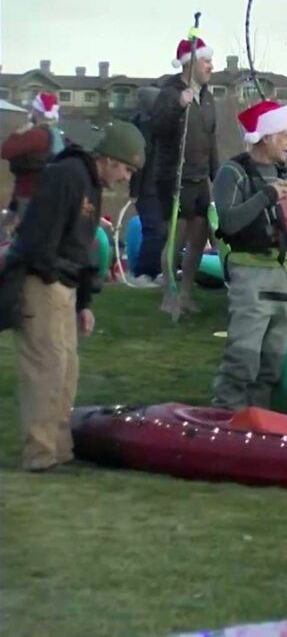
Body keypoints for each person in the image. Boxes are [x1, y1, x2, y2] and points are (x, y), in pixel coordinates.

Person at [4, 121, 145, 471]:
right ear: (109, 158)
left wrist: (83, 302)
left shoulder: (90, 184)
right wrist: (53, 275)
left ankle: (60, 449)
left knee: (66, 371)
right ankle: (40, 455)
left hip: (64, 286)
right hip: (42, 283)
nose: (126, 177)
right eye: (126, 168)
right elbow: (38, 238)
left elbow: (80, 247)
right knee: (45, 371)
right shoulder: (67, 176)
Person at [210, 101, 287, 410]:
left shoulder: (286, 171)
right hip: (252, 278)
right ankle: (227, 417)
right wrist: (268, 196)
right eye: (286, 136)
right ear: (265, 136)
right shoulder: (232, 173)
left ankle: (258, 420)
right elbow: (228, 221)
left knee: (271, 367)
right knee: (243, 360)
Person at [152, 35, 219, 316]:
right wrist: (178, 105)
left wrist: (218, 175)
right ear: (189, 64)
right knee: (176, 240)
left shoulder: (207, 97)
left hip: (201, 176)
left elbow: (211, 137)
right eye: (206, 61)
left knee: (198, 239)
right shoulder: (170, 92)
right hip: (174, 176)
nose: (210, 66)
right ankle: (169, 296)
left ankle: (187, 293)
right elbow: (157, 128)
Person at [1, 92, 66, 222]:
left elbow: (5, 151)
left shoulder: (37, 135)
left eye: (34, 108)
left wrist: (17, 134)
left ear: (38, 111)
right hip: (48, 194)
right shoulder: (56, 134)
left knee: (28, 236)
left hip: (30, 194)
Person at [126, 86, 163, 286]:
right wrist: (135, 191)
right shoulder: (144, 129)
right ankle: (142, 273)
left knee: (160, 231)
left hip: (158, 187)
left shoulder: (154, 127)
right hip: (148, 189)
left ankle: (156, 270)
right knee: (154, 231)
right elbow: (140, 164)